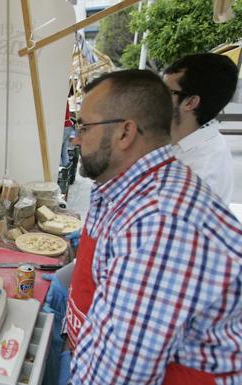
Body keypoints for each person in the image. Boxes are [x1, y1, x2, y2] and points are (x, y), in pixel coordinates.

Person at [65, 69, 242, 384]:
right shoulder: (128, 183)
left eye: (84, 126)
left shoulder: (160, 224)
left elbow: (116, 378)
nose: (76, 137)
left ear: (125, 133)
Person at [163, 53, 237, 204]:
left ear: (190, 103)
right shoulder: (182, 140)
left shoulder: (201, 174)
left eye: (166, 92)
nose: (155, 97)